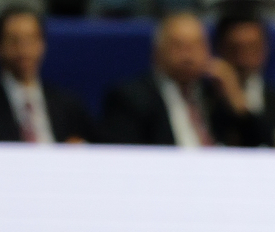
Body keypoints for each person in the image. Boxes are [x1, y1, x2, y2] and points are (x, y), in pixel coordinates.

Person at [98, 11, 257, 146]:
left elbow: (262, 147)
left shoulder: (215, 93)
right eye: (178, 46)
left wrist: (238, 103)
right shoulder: (131, 98)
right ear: (157, 52)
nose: (187, 56)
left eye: (195, 45)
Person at [0, 6, 94, 143]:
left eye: (31, 39)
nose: (24, 50)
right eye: (14, 41)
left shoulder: (68, 105)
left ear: (42, 44)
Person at [212, 2, 275, 147]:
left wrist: (242, 110)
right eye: (235, 49)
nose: (243, 60)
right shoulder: (203, 103)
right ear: (220, 49)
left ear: (265, 48)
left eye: (252, 48)